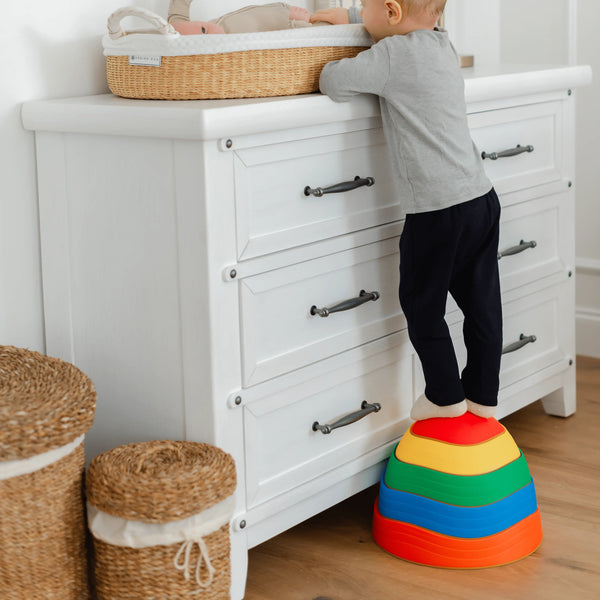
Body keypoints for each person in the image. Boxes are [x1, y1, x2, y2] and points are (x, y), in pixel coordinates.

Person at [318, 0, 502, 421]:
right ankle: (483, 398)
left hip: (437, 212)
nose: (358, 12)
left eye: (361, 7)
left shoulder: (390, 56)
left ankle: (445, 397)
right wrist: (353, 19)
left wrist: (350, 39)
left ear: (391, 11)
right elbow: (398, 22)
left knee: (422, 304)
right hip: (481, 199)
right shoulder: (442, 43)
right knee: (481, 306)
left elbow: (333, 81)